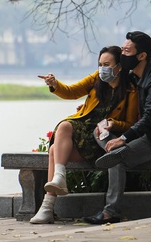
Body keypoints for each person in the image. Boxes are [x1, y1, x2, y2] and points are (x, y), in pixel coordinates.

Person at [29, 45, 139, 224]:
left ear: (119, 66)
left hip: (101, 140)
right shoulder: (96, 79)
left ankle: (48, 206)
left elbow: (131, 124)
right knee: (63, 129)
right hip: (82, 129)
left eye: (107, 64)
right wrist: (55, 85)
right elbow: (72, 92)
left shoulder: (131, 89)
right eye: (100, 64)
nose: (103, 69)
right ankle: (52, 196)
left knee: (54, 150)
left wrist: (113, 124)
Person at [83, 31, 151, 225]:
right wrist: (105, 122)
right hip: (142, 134)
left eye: (126, 51)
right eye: (121, 50)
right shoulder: (133, 76)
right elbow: (108, 87)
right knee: (100, 131)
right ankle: (115, 151)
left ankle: (110, 212)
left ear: (142, 56)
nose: (122, 55)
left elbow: (149, 120)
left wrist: (123, 138)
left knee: (116, 160)